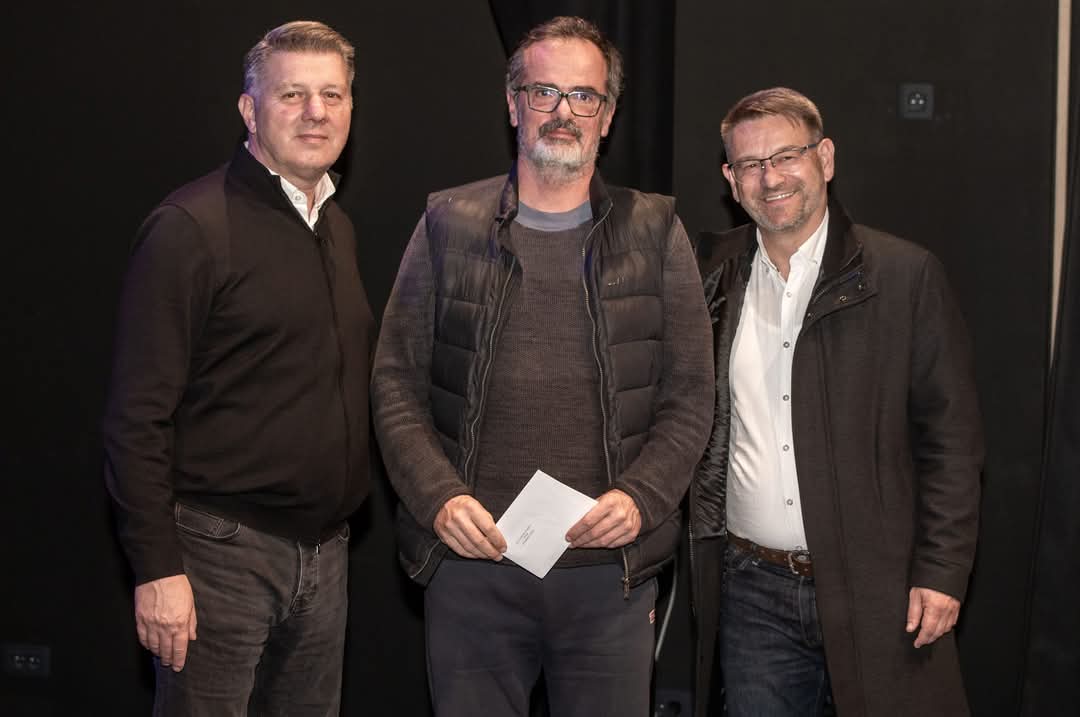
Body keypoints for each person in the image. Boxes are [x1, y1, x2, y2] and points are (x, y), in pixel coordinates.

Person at [371, 15, 713, 717]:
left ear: (607, 116)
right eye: (544, 91)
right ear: (513, 103)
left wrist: (643, 498)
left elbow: (689, 394)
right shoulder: (447, 223)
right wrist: (437, 499)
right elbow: (395, 383)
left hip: (608, 579)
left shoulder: (656, 231)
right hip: (472, 568)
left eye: (584, 95)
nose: (564, 111)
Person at [102, 20, 373, 716]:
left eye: (332, 95)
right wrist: (157, 568)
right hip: (218, 557)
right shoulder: (190, 228)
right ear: (250, 110)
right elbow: (136, 417)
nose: (315, 112)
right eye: (292, 94)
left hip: (326, 558)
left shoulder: (335, 225)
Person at [690, 87, 984, 716]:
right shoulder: (708, 278)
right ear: (730, 180)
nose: (771, 178)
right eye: (750, 164)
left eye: (786, 156)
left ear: (824, 158)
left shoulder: (903, 276)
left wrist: (942, 569)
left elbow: (951, 442)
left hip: (880, 589)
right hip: (751, 593)